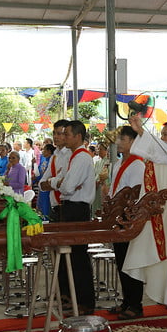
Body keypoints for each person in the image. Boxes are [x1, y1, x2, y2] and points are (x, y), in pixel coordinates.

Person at [127, 118, 167, 308]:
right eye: (161, 135)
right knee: (164, 250)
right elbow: (155, 149)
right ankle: (166, 295)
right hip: (162, 209)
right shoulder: (165, 151)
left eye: (165, 134)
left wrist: (142, 131)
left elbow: (156, 148)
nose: (162, 138)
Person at [57, 120, 96, 315]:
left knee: (79, 257)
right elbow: (65, 184)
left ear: (78, 136)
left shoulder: (82, 157)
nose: (64, 138)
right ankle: (76, 298)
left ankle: (85, 302)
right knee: (73, 257)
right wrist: (64, 184)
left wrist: (64, 185)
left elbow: (67, 186)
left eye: (68, 134)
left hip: (77, 208)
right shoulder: (75, 156)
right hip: (71, 206)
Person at [107, 126, 146, 320]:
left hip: (128, 217)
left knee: (130, 261)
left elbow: (135, 193)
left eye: (122, 139)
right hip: (118, 215)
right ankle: (126, 300)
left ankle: (135, 304)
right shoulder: (121, 163)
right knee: (122, 261)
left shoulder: (138, 164)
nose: (118, 142)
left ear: (133, 141)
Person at [40, 119, 71, 222]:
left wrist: (51, 182)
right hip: (54, 206)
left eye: (59, 134)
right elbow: (42, 184)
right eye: (54, 133)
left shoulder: (71, 155)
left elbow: (66, 184)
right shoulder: (55, 155)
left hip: (69, 206)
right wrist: (55, 183)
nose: (55, 137)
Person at [35, 143, 54, 221]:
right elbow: (40, 171)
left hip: (47, 186)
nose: (42, 151)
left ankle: (46, 219)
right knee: (41, 203)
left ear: (49, 151)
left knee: (46, 203)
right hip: (41, 184)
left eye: (44, 150)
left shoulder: (52, 159)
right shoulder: (43, 159)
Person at [92, 142, 110, 217]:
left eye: (101, 149)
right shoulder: (97, 162)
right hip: (95, 188)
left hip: (103, 187)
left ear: (106, 150)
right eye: (98, 149)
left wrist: (99, 182)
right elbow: (94, 174)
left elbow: (106, 176)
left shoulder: (108, 162)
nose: (98, 151)